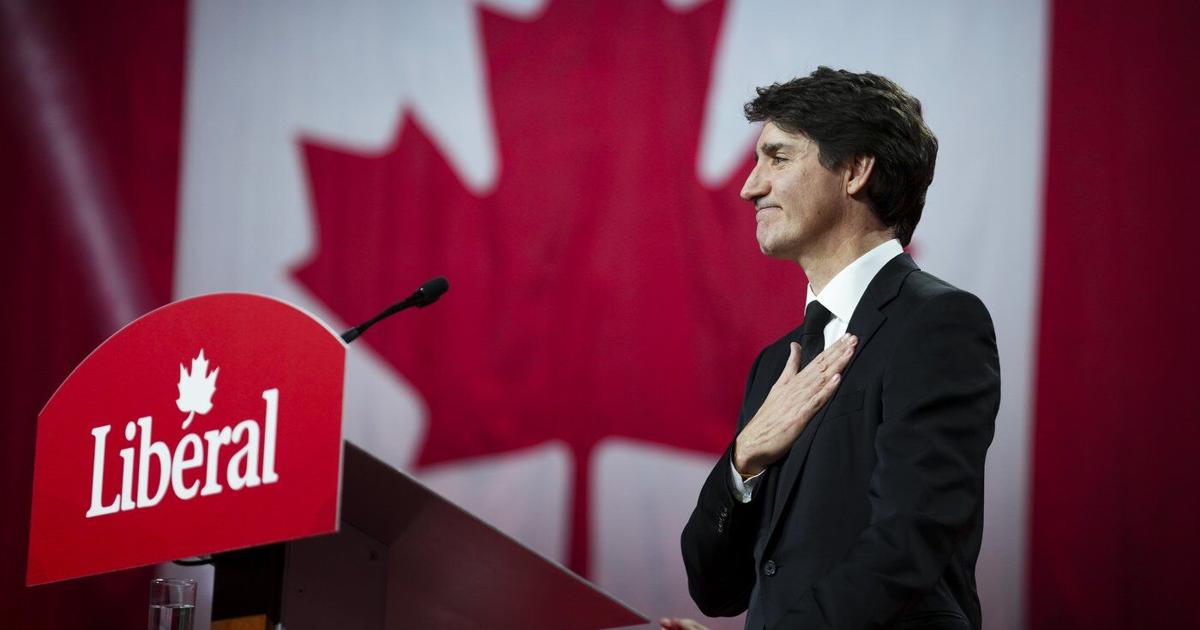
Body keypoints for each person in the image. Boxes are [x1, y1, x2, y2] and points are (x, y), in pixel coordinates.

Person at [671, 67, 1001, 630]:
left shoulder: (938, 323)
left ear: (854, 171)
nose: (750, 187)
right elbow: (715, 589)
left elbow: (905, 546)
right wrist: (743, 460)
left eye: (777, 158)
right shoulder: (776, 364)